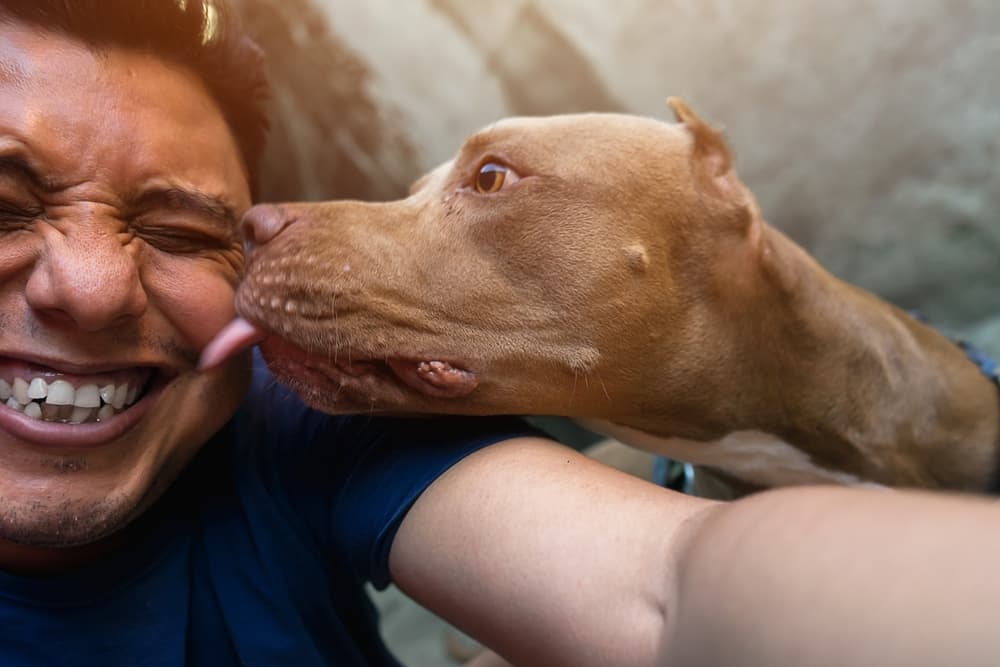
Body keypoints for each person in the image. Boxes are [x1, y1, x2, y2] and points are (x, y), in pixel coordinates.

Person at [1, 1, 999, 666]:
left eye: (179, 230)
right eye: (5, 202)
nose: (90, 286)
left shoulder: (290, 430)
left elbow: (670, 592)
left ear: (719, 191)